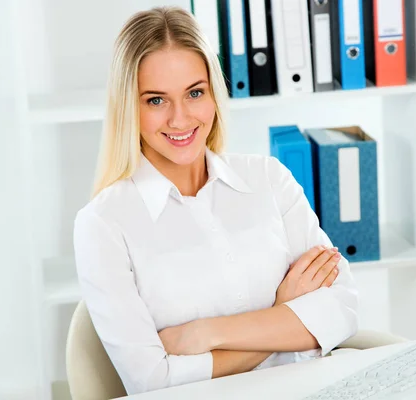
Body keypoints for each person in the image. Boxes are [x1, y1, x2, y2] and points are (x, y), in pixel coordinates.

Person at [73, 6, 359, 396]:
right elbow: (151, 379)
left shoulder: (268, 179)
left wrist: (205, 334)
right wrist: (282, 321)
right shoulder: (103, 225)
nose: (180, 119)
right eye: (156, 100)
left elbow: (341, 309)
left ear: (214, 93)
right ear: (128, 108)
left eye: (195, 93)